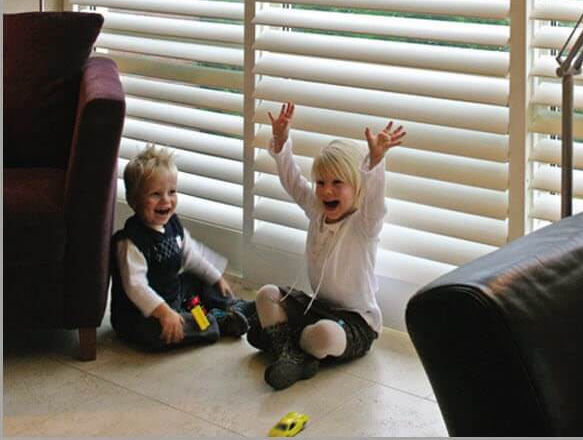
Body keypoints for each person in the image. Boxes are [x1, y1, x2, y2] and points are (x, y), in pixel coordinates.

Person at [247, 102, 405, 390]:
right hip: (316, 306)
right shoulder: (317, 210)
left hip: (354, 323)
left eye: (337, 183)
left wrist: (376, 162)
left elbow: (375, 201)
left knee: (325, 337)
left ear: (357, 186)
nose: (325, 191)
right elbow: (292, 181)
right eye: (320, 183)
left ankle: (281, 340)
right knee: (267, 295)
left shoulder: (364, 225)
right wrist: (282, 143)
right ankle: (290, 354)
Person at [110, 143, 249, 349]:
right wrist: (164, 312)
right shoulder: (130, 241)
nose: (166, 200)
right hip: (142, 314)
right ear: (133, 200)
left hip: (173, 295)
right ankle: (215, 321)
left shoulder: (172, 225)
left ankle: (233, 306)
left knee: (197, 278)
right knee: (159, 333)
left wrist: (216, 277)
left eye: (172, 191)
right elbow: (136, 287)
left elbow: (192, 255)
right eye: (155, 194)